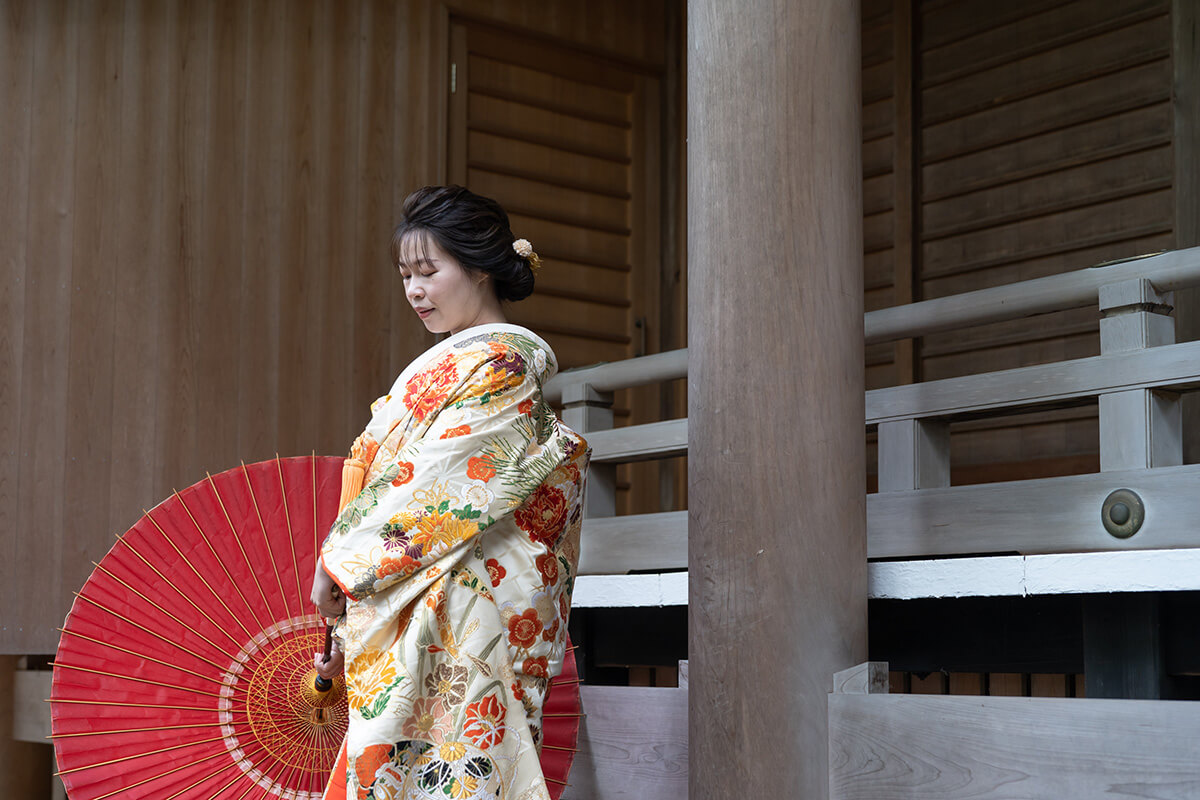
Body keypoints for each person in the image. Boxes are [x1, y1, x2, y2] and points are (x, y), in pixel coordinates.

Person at [310, 185, 590, 800]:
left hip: (467, 606)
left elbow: (438, 481)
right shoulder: (452, 363)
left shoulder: (506, 364)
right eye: (406, 274)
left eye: (429, 271)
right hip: (419, 591)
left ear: (480, 266)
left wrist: (345, 561)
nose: (414, 290)